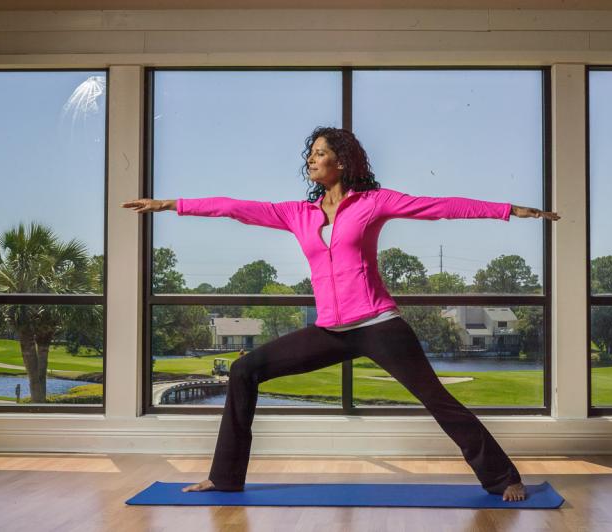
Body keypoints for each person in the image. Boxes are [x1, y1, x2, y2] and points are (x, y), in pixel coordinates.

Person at [121, 126, 560, 502]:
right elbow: (235, 208)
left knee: (437, 399)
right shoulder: (297, 214)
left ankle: (503, 477)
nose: (311, 160)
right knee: (243, 370)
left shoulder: (373, 203)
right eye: (310, 154)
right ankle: (224, 477)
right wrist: (171, 204)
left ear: (342, 162)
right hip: (329, 329)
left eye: (320, 153)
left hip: (378, 324)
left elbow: (438, 206)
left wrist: (509, 210)